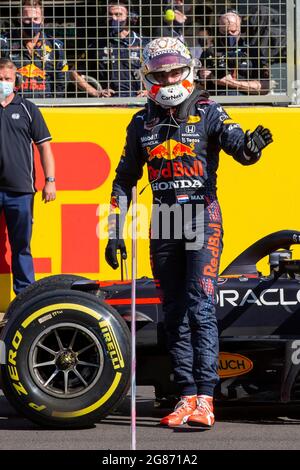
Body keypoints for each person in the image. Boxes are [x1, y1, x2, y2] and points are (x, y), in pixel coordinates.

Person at [105, 36, 272, 428]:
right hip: (164, 221)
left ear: (188, 70)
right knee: (174, 311)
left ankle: (206, 398)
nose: (168, 79)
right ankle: (184, 396)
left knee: (199, 303)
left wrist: (253, 146)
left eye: (175, 72)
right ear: (149, 76)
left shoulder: (210, 111)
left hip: (201, 215)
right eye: (160, 74)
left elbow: (241, 151)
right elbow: (123, 181)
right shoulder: (140, 121)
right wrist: (114, 231)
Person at [0, 58, 55, 294]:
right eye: (0, 79)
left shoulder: (27, 108)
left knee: (21, 246)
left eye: (7, 79)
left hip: (21, 191)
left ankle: (24, 297)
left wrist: (50, 181)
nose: (3, 83)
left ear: (16, 82)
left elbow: (44, 148)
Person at [73, 2, 145, 98]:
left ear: (130, 17)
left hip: (138, 102)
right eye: (110, 15)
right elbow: (74, 73)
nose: (114, 18)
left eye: (118, 14)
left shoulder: (143, 43)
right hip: (110, 103)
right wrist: (96, 92)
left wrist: (150, 92)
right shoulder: (98, 44)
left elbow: (162, 71)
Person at [0, 0, 68, 98]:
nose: (31, 23)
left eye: (36, 19)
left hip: (46, 105)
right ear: (19, 18)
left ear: (42, 19)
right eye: (27, 19)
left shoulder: (55, 46)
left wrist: (55, 103)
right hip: (13, 105)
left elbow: (62, 81)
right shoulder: (3, 42)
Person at [200, 10, 270, 95]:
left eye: (233, 31)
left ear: (240, 29)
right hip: (216, 103)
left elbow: (265, 88)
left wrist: (230, 83)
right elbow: (197, 86)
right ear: (218, 29)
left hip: (243, 104)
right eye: (224, 32)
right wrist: (204, 79)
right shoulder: (210, 51)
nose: (229, 35)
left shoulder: (252, 52)